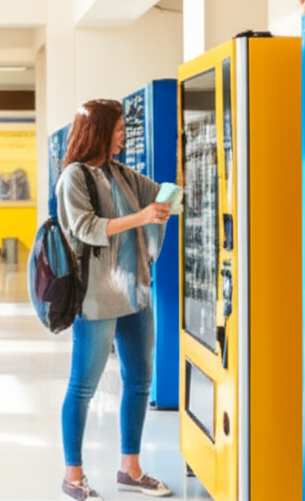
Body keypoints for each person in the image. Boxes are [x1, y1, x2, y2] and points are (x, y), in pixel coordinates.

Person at [54, 99, 173, 500]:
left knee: (139, 380)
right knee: (83, 386)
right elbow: (86, 227)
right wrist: (142, 217)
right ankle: (73, 476)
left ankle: (130, 468)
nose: (124, 135)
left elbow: (159, 197)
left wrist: (178, 192)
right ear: (100, 132)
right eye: (119, 129)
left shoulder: (120, 173)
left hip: (134, 290)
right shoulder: (74, 177)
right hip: (97, 297)